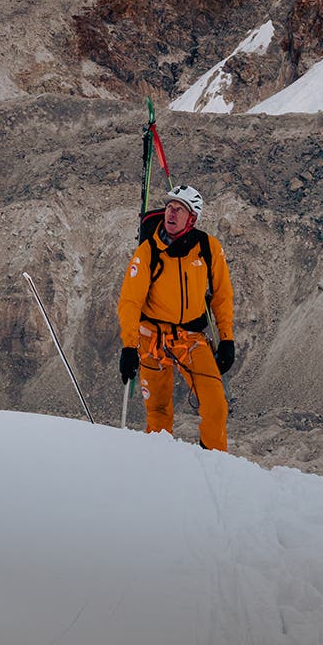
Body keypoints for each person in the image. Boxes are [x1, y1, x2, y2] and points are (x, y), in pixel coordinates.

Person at [117, 184, 235, 451]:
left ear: (192, 218)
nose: (170, 213)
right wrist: (129, 346)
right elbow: (130, 301)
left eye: (179, 209)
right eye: (169, 207)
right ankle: (160, 466)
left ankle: (214, 462)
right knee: (158, 412)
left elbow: (222, 295)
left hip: (190, 338)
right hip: (151, 339)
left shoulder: (208, 248)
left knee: (216, 406)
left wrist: (227, 339)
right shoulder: (148, 251)